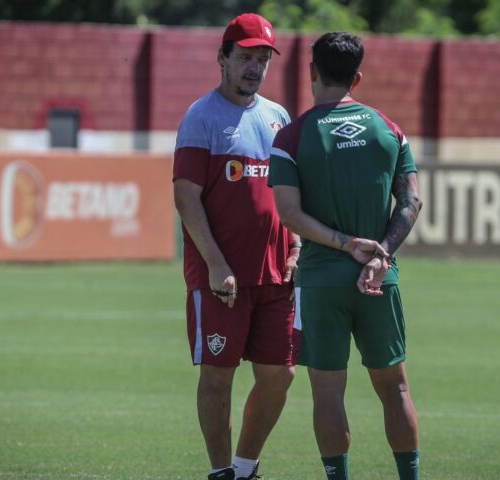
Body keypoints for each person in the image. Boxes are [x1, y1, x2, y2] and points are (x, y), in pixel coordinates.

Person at [268, 32, 423, 480]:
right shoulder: (388, 131)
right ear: (357, 77)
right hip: (379, 279)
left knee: (328, 395)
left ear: (311, 71)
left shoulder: (291, 137)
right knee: (395, 389)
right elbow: (411, 203)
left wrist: (342, 243)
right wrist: (381, 254)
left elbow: (289, 214)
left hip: (320, 282)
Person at [172, 13, 300, 480]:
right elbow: (185, 196)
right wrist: (215, 262)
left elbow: (292, 193)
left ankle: (245, 468)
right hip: (221, 276)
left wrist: (297, 243)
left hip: (277, 275)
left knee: (280, 375)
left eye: (262, 59)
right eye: (245, 57)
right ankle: (222, 471)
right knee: (218, 378)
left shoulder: (278, 116)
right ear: (222, 58)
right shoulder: (201, 116)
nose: (254, 67)